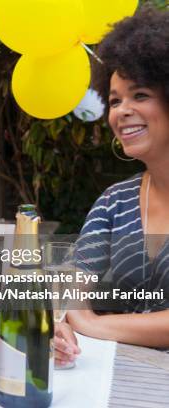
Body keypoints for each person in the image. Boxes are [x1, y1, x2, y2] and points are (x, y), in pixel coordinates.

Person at [61, 7, 169, 357]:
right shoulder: (115, 201)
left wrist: (90, 324)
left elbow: (85, 317)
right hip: (120, 382)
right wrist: (64, 327)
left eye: (139, 95)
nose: (121, 111)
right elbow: (73, 289)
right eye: (113, 101)